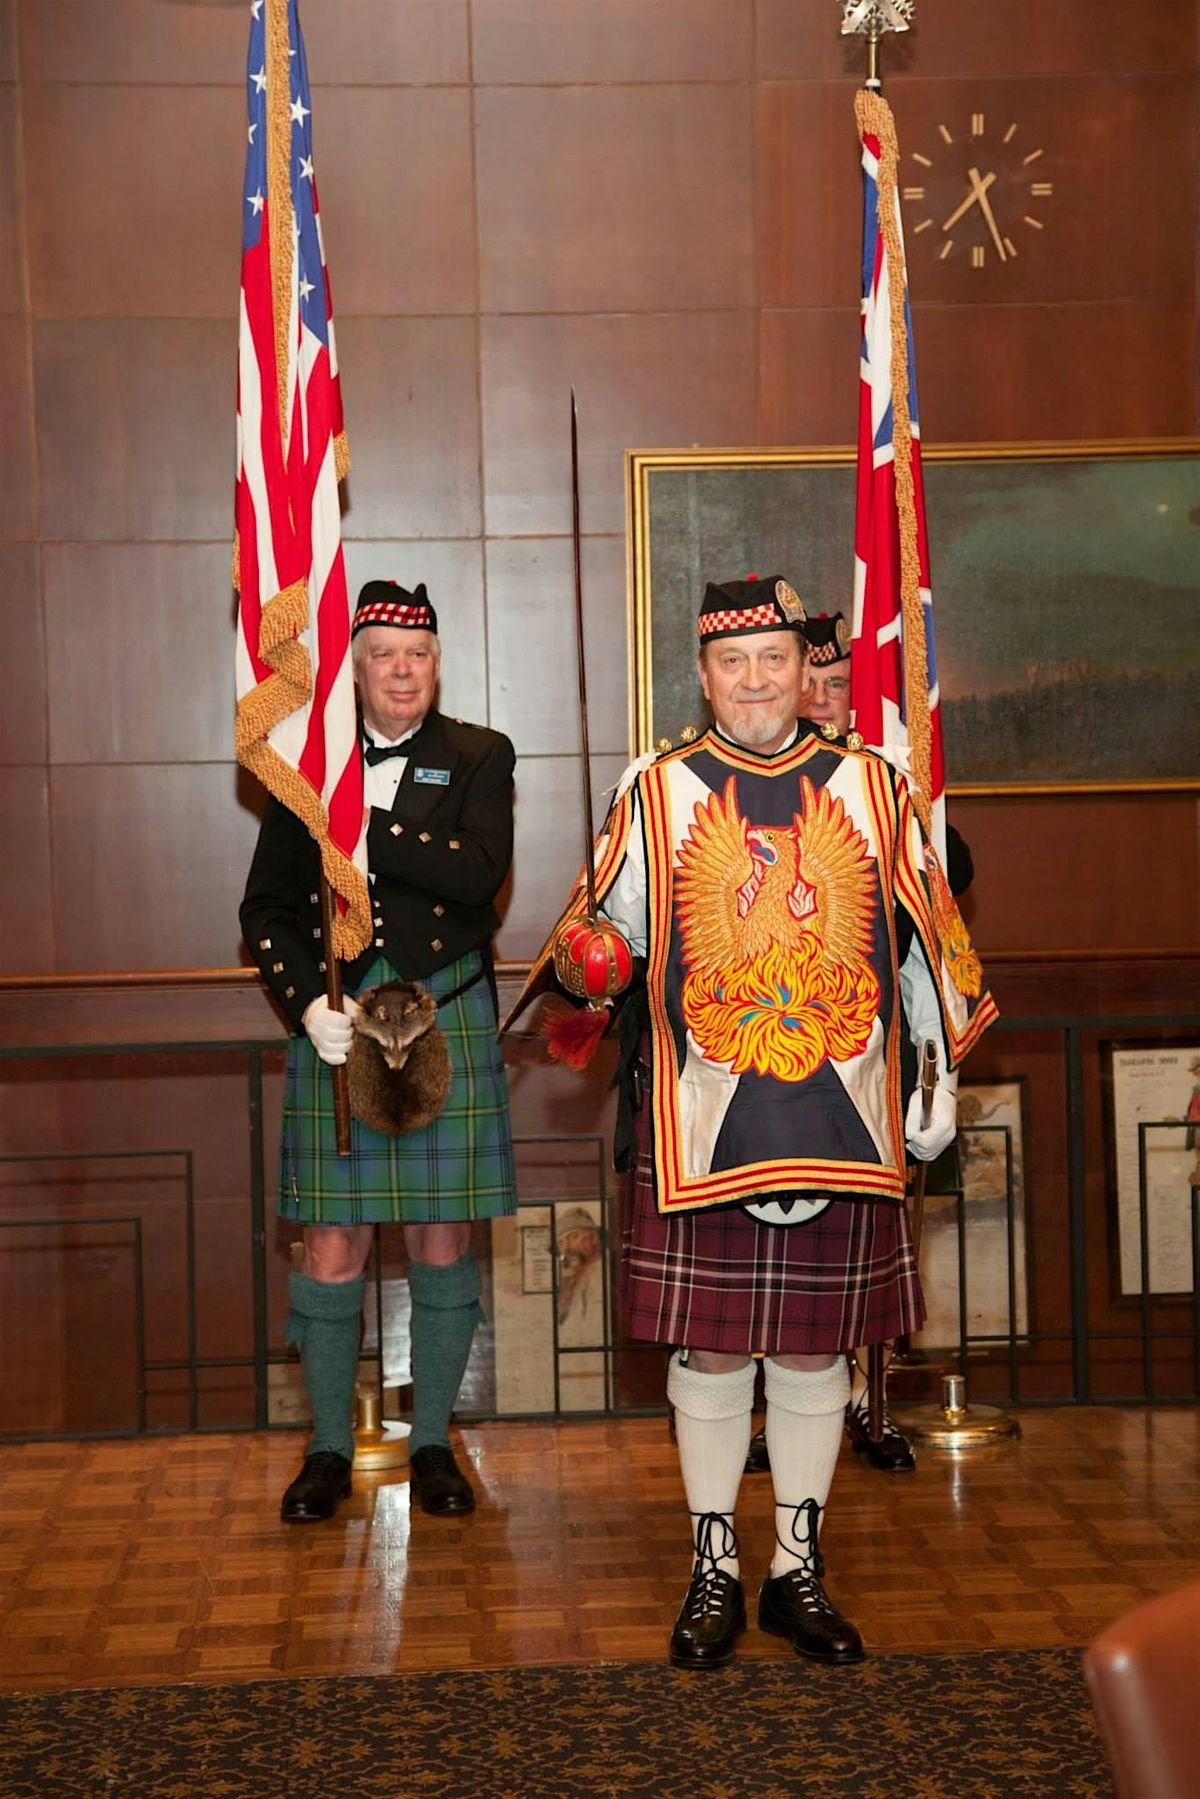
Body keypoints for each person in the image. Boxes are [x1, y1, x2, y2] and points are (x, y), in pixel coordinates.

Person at [512, 574, 996, 1668]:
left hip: (846, 1114)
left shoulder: (874, 786)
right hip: (706, 1114)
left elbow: (926, 939)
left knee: (817, 1352)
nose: (755, 680)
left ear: (804, 668)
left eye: (773, 658)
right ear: (702, 673)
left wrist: (935, 1070)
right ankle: (715, 1569)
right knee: (716, 1351)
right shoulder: (659, 787)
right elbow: (609, 939)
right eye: (732, 663)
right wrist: (596, 963)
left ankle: (798, 1571)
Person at [240, 580, 517, 1523]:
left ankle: (434, 1441)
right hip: (341, 1023)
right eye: (384, 654)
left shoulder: (480, 754)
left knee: (443, 1238)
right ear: (352, 667)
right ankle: (326, 1449)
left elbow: (475, 879)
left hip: (446, 1013)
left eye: (419, 653)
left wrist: (359, 821)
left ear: (439, 662)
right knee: (331, 1246)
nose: (403, 671)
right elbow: (266, 908)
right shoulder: (304, 771)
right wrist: (298, 1006)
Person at [749, 611, 974, 1477]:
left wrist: (938, 1070)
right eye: (818, 683)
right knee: (755, 1300)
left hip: (858, 1063)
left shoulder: (878, 783)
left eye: (842, 684)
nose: (827, 697)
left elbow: (939, 893)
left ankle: (870, 1406)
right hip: (754, 1067)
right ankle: (772, 1423)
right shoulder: (724, 782)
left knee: (849, 1283)